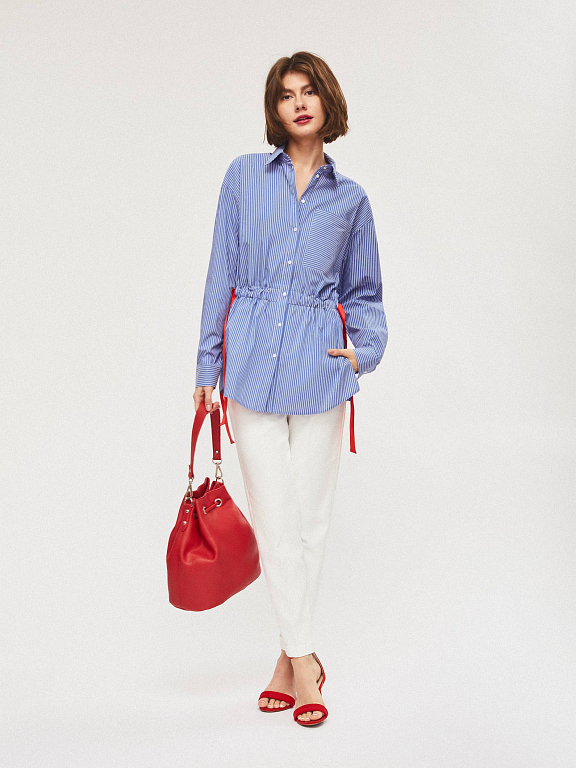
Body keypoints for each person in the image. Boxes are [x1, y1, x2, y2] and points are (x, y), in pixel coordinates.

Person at [193, 51, 388, 726]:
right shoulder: (244, 177)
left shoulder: (350, 199)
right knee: (276, 521)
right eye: (286, 94)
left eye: (309, 91)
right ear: (275, 109)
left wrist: (363, 351)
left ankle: (287, 657)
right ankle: (307, 661)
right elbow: (220, 273)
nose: (299, 103)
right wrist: (207, 367)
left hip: (320, 372)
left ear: (327, 101)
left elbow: (366, 290)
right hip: (248, 368)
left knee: (309, 523)